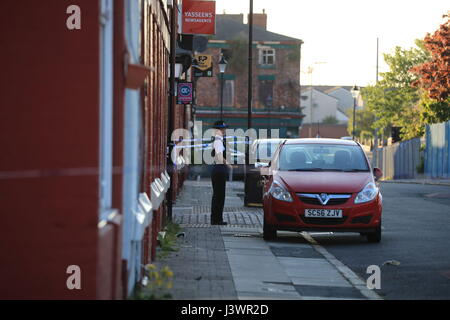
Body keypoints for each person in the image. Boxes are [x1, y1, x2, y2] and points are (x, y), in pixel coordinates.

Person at [210, 120, 232, 225]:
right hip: (219, 170)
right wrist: (228, 164)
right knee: (219, 195)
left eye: (224, 129)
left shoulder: (219, 140)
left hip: (219, 170)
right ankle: (216, 219)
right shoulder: (218, 141)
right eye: (222, 129)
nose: (224, 130)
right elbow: (219, 156)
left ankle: (217, 218)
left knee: (219, 195)